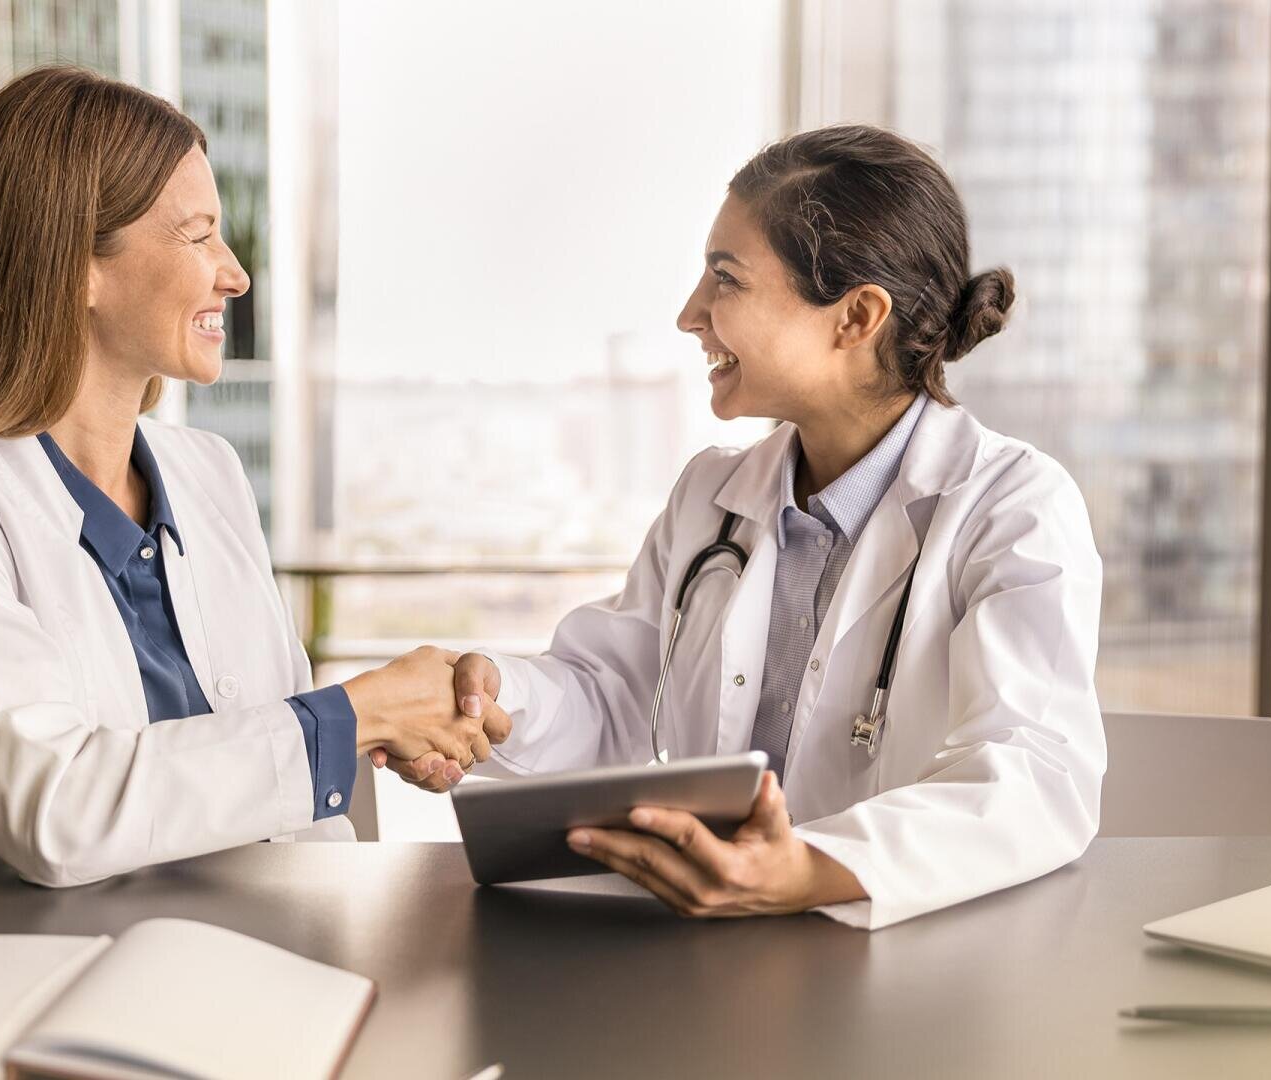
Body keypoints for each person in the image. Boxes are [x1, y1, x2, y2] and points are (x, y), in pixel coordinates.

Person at [375, 126, 1106, 930]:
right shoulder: (712, 495)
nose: (690, 314)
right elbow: (616, 701)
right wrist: (493, 698)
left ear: (856, 316)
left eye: (725, 278)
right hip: (701, 946)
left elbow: (1034, 774)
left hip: (896, 955)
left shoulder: (1010, 507)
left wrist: (808, 870)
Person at [0, 66, 505, 887]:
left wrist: (393, 727)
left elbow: (275, 767)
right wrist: (355, 716)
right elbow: (55, 810)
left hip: (274, 937)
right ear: (78, 265)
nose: (235, 272)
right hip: (51, 960)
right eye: (199, 235)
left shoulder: (209, 471)